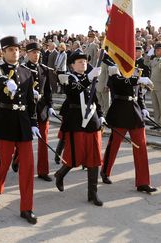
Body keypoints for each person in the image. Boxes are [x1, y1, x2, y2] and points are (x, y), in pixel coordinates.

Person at [0, 36, 40, 224]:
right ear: (3, 52)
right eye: (10, 50)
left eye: (17, 49)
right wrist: (3, 81)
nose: (15, 52)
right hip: (5, 121)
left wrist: (34, 123)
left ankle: (27, 207)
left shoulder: (26, 72)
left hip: (23, 121)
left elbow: (31, 102)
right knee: (4, 160)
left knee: (27, 166)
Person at [53, 52, 104, 206]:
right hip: (76, 121)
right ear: (72, 65)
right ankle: (60, 174)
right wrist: (89, 78)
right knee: (75, 156)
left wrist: (101, 114)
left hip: (92, 122)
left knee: (94, 158)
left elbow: (95, 99)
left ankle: (92, 193)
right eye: (80, 62)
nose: (83, 64)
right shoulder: (68, 78)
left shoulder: (90, 78)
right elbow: (74, 91)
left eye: (85, 62)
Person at [100, 63, 157, 194]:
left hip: (135, 113)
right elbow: (116, 83)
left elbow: (139, 93)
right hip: (120, 112)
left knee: (141, 147)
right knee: (114, 145)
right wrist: (137, 79)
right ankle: (105, 171)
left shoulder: (136, 72)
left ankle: (143, 182)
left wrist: (143, 107)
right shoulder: (115, 71)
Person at [23, 42, 55, 181]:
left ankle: (43, 171)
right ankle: (18, 160)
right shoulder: (22, 69)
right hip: (26, 109)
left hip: (41, 109)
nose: (36, 55)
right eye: (33, 52)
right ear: (28, 54)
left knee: (43, 141)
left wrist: (51, 105)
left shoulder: (44, 69)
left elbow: (48, 90)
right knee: (24, 141)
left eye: (38, 53)